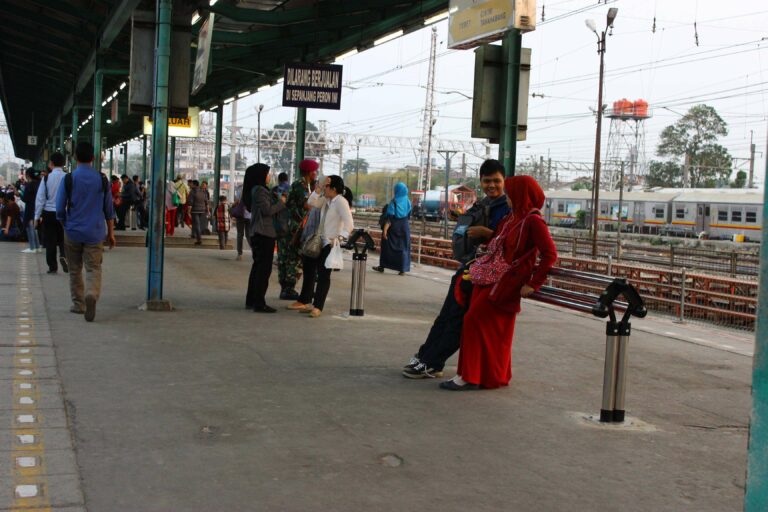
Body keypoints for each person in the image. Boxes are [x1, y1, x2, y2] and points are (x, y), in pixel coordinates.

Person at [439, 175, 558, 390]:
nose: (508, 199)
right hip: (492, 276)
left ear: (522, 196)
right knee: (493, 330)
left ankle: (470, 376)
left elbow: (550, 254)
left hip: (507, 281)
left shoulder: (532, 220)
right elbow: (500, 242)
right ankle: (491, 376)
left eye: (512, 195)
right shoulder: (512, 217)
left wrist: (534, 283)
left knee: (474, 321)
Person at [403, 159, 510, 379]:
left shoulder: (508, 210)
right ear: (480, 181)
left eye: (496, 181)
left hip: (484, 275)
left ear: (504, 181)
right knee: (445, 316)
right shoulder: (482, 205)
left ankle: (433, 362)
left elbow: (511, 243)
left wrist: (486, 233)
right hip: (468, 268)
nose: (492, 185)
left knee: (457, 320)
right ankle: (425, 356)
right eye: (487, 181)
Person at [55, 141, 117, 322]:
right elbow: (109, 210)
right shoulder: (102, 179)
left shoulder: (68, 179)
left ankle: (79, 304)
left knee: (75, 270)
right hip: (95, 232)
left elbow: (59, 209)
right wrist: (111, 234)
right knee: (94, 268)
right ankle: (91, 293)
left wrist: (66, 225)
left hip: (73, 231)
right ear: (94, 158)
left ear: (74, 157)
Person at [288, 175, 354, 318]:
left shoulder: (341, 202)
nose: (324, 188)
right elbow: (311, 202)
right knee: (309, 270)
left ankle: (318, 306)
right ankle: (306, 301)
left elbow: (349, 224)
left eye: (326, 186)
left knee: (324, 276)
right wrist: (318, 189)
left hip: (329, 244)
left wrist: (339, 238)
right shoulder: (326, 200)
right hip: (317, 241)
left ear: (334, 188)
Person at [243, 163, 286, 313]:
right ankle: (259, 303)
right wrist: (282, 203)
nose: (269, 176)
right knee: (263, 270)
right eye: (267, 174)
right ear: (260, 175)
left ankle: (251, 300)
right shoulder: (260, 190)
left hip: (259, 233)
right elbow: (267, 210)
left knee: (257, 268)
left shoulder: (256, 190)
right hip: (264, 233)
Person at [280, 159, 319, 300]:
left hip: (305, 227)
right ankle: (288, 288)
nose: (316, 173)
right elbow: (306, 205)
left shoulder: (312, 185)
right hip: (296, 228)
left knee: (300, 259)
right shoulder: (299, 185)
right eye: (315, 170)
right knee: (293, 258)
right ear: (309, 172)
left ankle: (292, 287)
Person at [35, 152, 68, 274]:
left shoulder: (46, 178)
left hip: (48, 213)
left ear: (51, 164)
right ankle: (64, 255)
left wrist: (36, 216)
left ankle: (52, 266)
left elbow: (40, 199)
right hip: (63, 213)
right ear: (63, 163)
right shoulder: (68, 177)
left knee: (50, 241)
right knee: (64, 238)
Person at [373, 182, 411, 275]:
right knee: (403, 248)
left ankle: (382, 266)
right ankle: (402, 269)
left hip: (394, 227)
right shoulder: (408, 201)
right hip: (405, 227)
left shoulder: (394, 201)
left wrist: (385, 230)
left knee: (387, 246)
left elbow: (389, 219)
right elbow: (409, 215)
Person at [21, 168, 41, 253]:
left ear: (28, 175)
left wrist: (19, 194)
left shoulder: (29, 185)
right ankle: (37, 247)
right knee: (34, 228)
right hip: (37, 208)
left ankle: (32, 247)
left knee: (30, 228)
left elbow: (25, 198)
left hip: (29, 208)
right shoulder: (39, 184)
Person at [188, 180, 208, 245]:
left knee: (197, 224)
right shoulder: (202, 191)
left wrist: (188, 211)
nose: (190, 185)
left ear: (194, 185)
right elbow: (206, 201)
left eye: (191, 184)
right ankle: (193, 234)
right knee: (195, 223)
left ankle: (199, 239)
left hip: (195, 210)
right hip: (202, 210)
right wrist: (207, 210)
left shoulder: (193, 191)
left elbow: (190, 202)